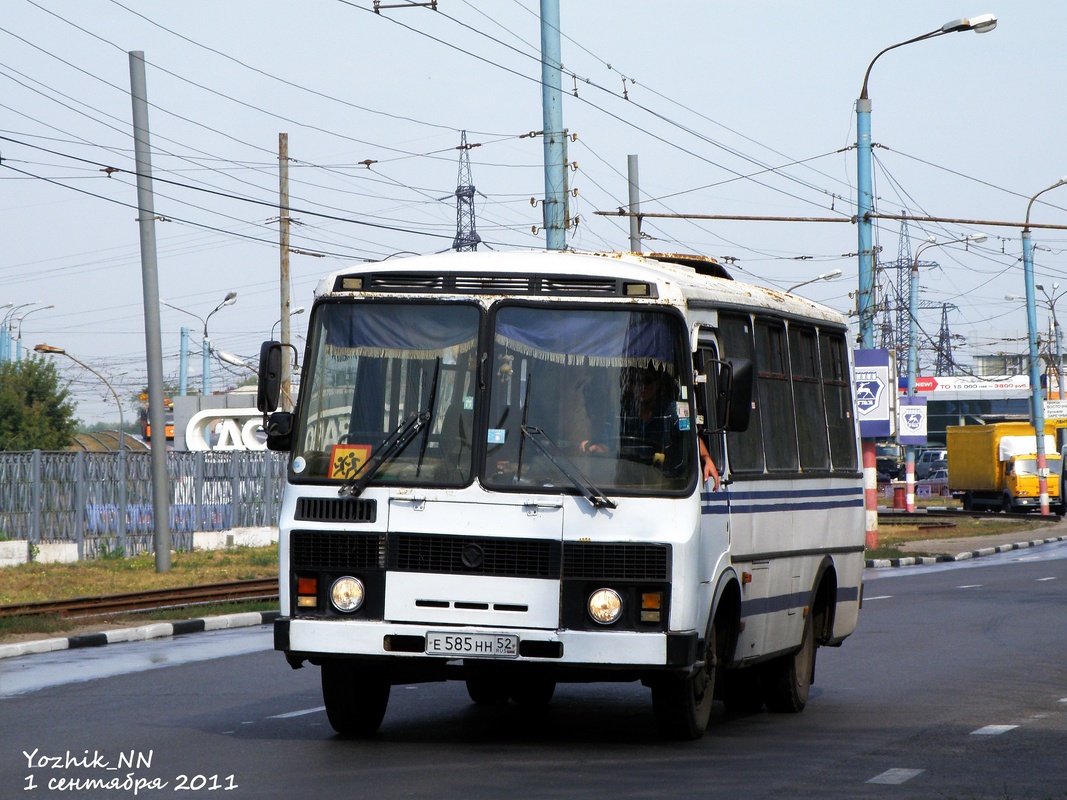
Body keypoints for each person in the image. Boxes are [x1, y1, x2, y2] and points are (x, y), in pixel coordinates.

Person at [581, 366, 720, 491]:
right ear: (630, 385)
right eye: (636, 381)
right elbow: (608, 445)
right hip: (625, 484)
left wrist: (706, 458)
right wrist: (594, 447)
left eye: (647, 381)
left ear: (657, 384)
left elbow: (691, 437)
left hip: (668, 485)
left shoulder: (672, 411)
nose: (641, 387)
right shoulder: (620, 413)